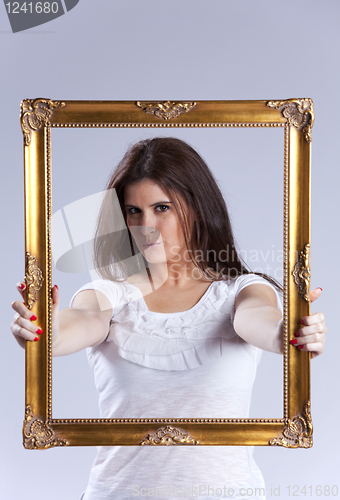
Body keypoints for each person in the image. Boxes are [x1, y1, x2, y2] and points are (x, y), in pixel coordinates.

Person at [11, 138, 326, 500]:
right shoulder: (109, 293)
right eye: (133, 211)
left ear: (197, 207)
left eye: (162, 208)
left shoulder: (241, 292)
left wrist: (288, 333)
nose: (147, 225)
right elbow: (80, 321)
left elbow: (258, 319)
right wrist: (44, 332)